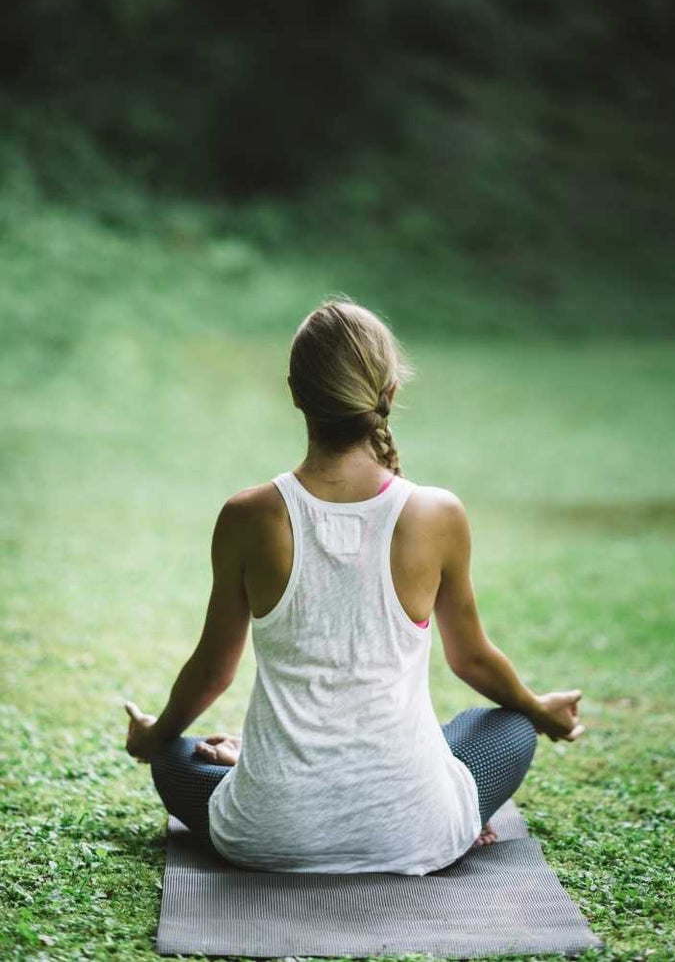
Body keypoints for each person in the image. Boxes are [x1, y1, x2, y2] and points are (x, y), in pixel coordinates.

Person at [124, 296, 584, 875]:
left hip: (268, 834)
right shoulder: (438, 514)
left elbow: (213, 673)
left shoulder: (248, 515)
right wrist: (538, 708)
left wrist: (152, 737)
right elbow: (472, 660)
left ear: (295, 392)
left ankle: (238, 765)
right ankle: (442, 805)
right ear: (388, 392)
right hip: (417, 830)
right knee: (510, 724)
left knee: (175, 754)